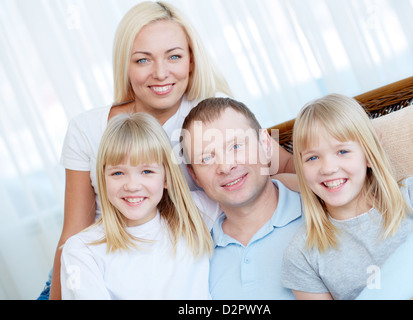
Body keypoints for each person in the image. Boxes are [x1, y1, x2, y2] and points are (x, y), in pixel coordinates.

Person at [41, 1, 293, 300]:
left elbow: (283, 171)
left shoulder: (208, 118)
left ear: (191, 61)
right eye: (143, 60)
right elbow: (74, 231)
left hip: (175, 269)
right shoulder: (87, 129)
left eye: (173, 56)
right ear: (126, 64)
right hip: (98, 274)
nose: (160, 73)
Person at [281, 94, 413, 300]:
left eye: (342, 151)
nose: (328, 168)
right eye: (313, 157)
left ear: (368, 155)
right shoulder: (302, 255)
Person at [60, 112, 213, 299]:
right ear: (103, 179)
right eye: (117, 173)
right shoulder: (81, 250)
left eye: (147, 171)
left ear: (166, 177)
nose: (132, 185)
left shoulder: (196, 212)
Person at [181, 97, 303, 299]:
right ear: (194, 176)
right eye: (206, 158)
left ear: (265, 144)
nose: (226, 166)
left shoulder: (322, 209)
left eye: (236, 146)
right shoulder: (195, 258)